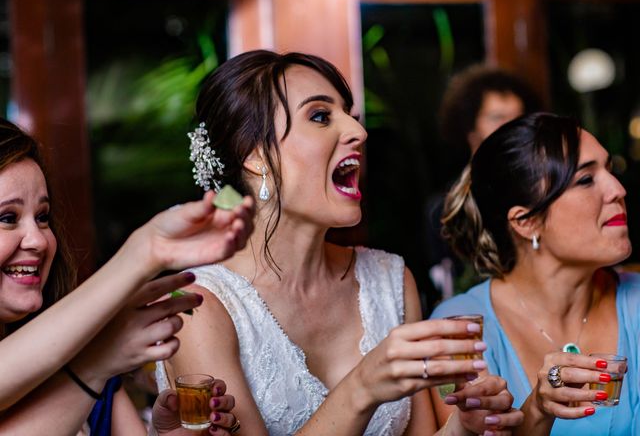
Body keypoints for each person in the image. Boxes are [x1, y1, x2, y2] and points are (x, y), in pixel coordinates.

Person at [156, 50, 524, 435]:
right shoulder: (199, 307)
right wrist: (362, 386)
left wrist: (464, 428)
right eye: (320, 116)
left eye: (351, 115)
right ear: (256, 155)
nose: (358, 133)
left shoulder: (390, 280)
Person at [0, 118, 252, 435]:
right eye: (7, 218)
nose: (38, 240)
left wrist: (173, 433)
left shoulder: (88, 366)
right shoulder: (90, 362)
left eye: (43, 217)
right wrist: (144, 252)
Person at [431, 112, 639, 435]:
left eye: (609, 170)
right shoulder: (462, 332)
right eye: (585, 180)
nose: (618, 190)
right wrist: (538, 411)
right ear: (526, 222)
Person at [427, 65, 543, 300]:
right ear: (470, 128)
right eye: (497, 118)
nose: (511, 127)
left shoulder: (542, 192)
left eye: (518, 118)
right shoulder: (445, 206)